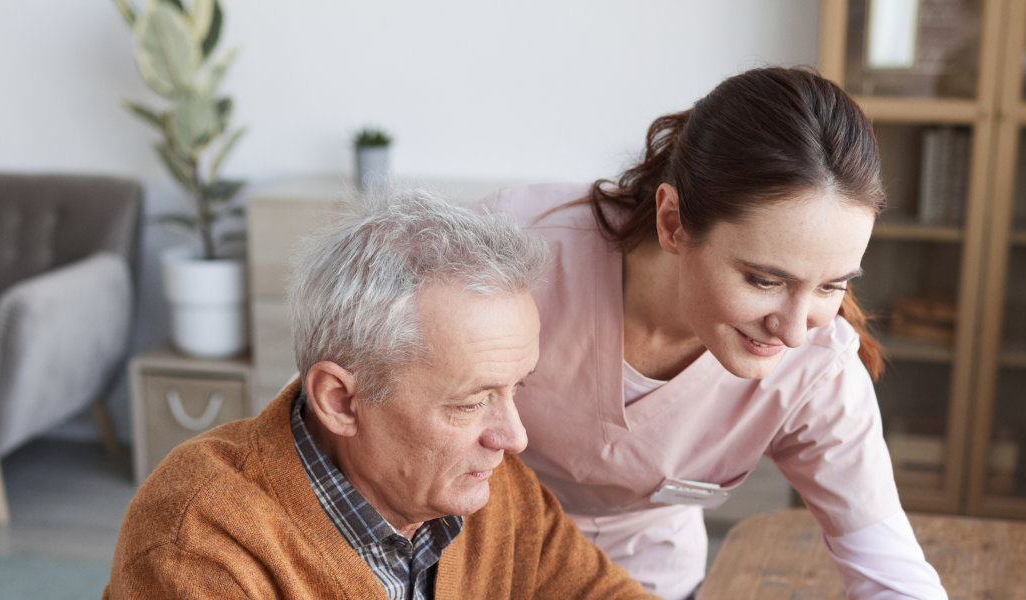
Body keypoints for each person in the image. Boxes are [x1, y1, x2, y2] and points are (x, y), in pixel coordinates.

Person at [483, 67, 948, 600]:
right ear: (674, 222)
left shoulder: (818, 368)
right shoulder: (510, 259)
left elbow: (890, 573)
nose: (794, 333)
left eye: (831, 286)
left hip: (646, 577)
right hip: (477, 550)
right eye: (766, 280)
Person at [105, 191, 652, 599]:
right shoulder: (199, 541)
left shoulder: (490, 489)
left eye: (516, 389)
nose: (514, 436)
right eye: (469, 403)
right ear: (341, 401)